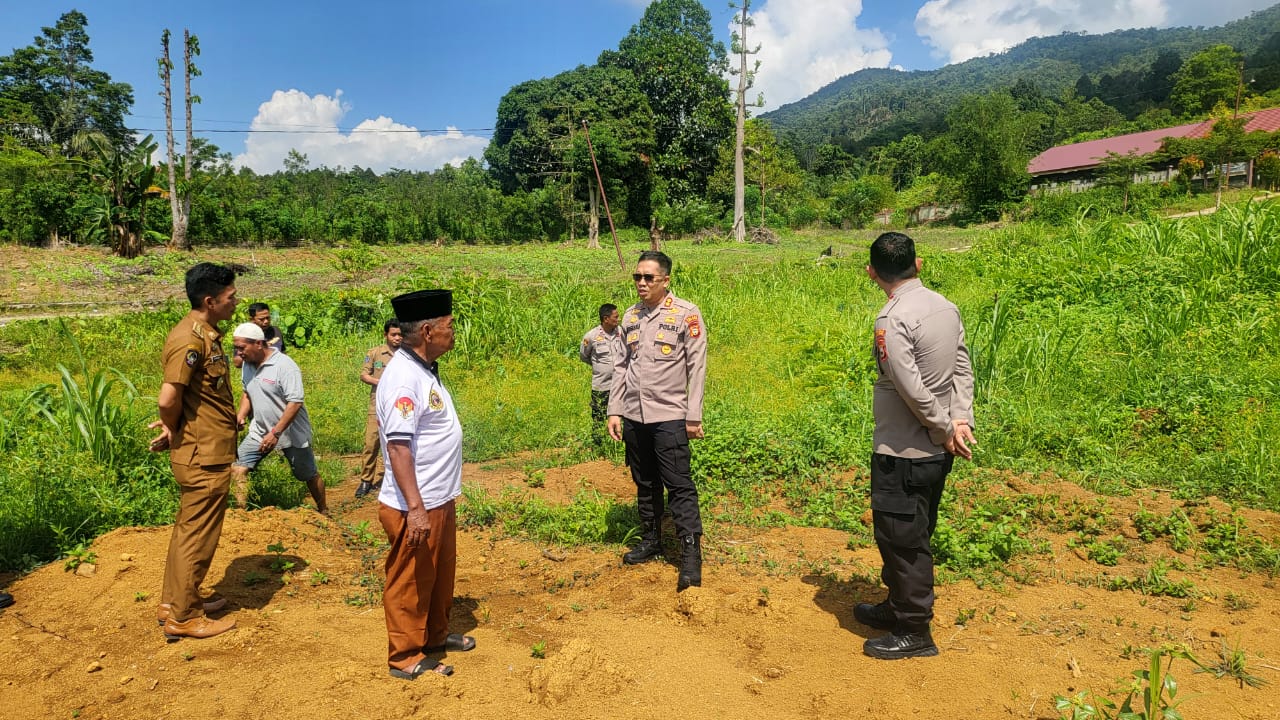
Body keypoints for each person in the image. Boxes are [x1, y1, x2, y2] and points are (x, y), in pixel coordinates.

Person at [855, 231, 975, 660]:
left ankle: (914, 629)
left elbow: (910, 388)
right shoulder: (945, 306)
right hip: (935, 451)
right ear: (918, 264)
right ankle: (898, 604)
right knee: (913, 530)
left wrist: (942, 427)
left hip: (904, 450)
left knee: (902, 539)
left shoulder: (892, 319)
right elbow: (962, 365)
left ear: (871, 273)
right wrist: (960, 418)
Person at [376, 289, 475, 680]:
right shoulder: (403, 378)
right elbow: (398, 447)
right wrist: (415, 508)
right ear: (429, 331)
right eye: (450, 325)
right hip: (414, 504)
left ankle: (434, 635)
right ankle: (405, 656)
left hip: (438, 497)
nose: (455, 332)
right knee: (411, 580)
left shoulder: (423, 369)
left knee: (437, 573)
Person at [148, 262, 240, 641]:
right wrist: (170, 425)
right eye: (231, 297)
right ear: (209, 301)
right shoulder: (190, 340)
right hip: (204, 454)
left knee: (189, 529)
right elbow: (168, 398)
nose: (236, 302)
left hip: (206, 448)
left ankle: (175, 602)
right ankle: (185, 617)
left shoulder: (203, 334)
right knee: (198, 535)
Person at [607, 250, 708, 592]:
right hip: (635, 417)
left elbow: (697, 367)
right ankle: (651, 540)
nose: (641, 282)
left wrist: (693, 416)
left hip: (669, 416)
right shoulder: (631, 316)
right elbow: (621, 365)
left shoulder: (685, 313)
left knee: (678, 485)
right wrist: (614, 410)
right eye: (637, 276)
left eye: (648, 277)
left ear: (665, 280)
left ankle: (690, 554)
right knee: (645, 482)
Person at [229, 323, 327, 515]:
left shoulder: (285, 366)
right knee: (238, 468)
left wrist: (275, 433)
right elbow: (247, 392)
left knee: (307, 474)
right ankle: (241, 515)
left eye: (242, 348)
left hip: (291, 434)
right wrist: (241, 416)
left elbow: (295, 402)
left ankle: (324, 511)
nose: (238, 353)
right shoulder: (247, 364)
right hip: (259, 431)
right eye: (236, 348)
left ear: (258, 344)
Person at [356, 319, 403, 498]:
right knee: (371, 442)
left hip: (401, 406)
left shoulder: (407, 354)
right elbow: (364, 375)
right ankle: (366, 481)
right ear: (386, 335)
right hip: (378, 404)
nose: (397, 338)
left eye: (400, 335)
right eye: (393, 334)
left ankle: (399, 479)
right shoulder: (375, 353)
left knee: (400, 442)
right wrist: (382, 382)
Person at [578, 303, 619, 445]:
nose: (618, 319)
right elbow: (584, 356)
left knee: (622, 415)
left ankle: (618, 443)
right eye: (615, 317)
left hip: (619, 385)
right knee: (599, 416)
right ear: (606, 319)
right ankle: (599, 445)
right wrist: (599, 367)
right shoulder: (591, 336)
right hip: (601, 385)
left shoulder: (621, 333)